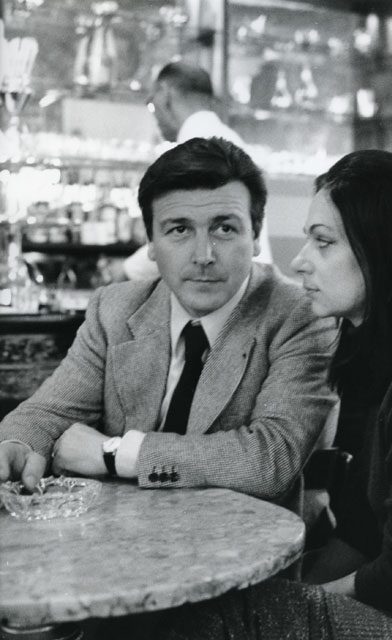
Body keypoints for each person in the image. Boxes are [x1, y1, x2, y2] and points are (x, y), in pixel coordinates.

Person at [156, 149, 392, 640]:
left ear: (386, 251)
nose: (299, 261)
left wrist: (294, 604)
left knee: (208, 615)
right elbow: (360, 530)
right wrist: (294, 592)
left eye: (323, 242)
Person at [0, 137, 337, 518]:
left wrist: (114, 454)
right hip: (117, 534)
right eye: (179, 230)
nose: (203, 256)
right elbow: (47, 412)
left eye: (224, 229)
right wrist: (15, 444)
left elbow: (271, 459)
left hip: (245, 541)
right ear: (150, 243)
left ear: (255, 237)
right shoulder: (115, 308)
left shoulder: (301, 315)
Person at [120, 60, 272, 282]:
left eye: (152, 105)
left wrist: (126, 270)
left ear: (165, 95)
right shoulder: (228, 139)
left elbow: (181, 230)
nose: (155, 116)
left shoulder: (198, 148)